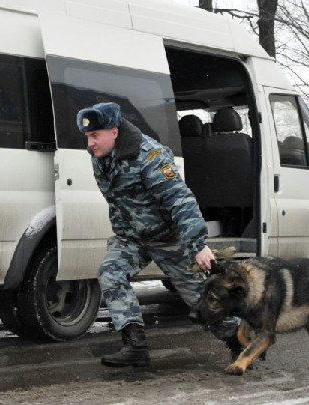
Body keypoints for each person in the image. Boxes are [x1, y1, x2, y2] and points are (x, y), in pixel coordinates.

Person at [76, 102, 242, 367]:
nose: (91, 143)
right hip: (132, 237)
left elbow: (180, 199)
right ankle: (135, 346)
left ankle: (240, 342)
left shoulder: (149, 157)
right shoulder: (102, 157)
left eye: (95, 136)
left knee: (200, 299)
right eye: (88, 137)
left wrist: (198, 245)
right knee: (111, 273)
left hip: (168, 238)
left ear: (114, 132)